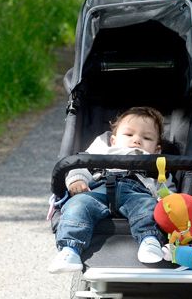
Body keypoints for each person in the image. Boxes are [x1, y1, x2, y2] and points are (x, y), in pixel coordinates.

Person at [48, 107, 170, 273]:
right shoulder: (103, 150)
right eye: (129, 134)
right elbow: (80, 164)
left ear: (157, 149)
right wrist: (77, 179)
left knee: (147, 207)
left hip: (136, 192)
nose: (137, 140)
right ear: (113, 140)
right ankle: (70, 249)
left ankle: (149, 240)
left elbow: (165, 187)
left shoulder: (155, 162)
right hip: (98, 188)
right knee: (77, 205)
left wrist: (168, 200)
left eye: (147, 137)